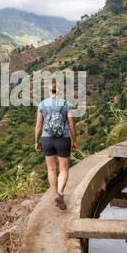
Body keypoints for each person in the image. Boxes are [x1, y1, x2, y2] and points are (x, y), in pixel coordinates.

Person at [35, 81, 77, 210]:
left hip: (47, 139)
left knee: (51, 169)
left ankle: (55, 195)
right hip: (63, 139)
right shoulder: (65, 104)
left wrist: (36, 141)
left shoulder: (42, 104)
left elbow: (38, 126)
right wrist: (74, 141)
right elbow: (71, 125)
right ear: (59, 91)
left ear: (49, 90)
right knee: (63, 169)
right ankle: (59, 193)